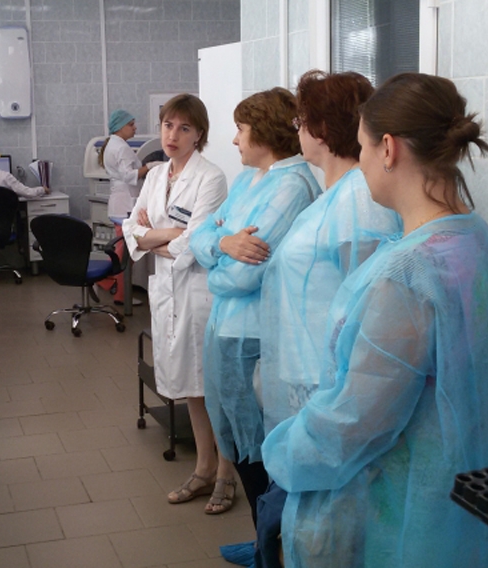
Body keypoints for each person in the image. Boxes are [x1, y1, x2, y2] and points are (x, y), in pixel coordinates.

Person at [259, 73, 488, 567]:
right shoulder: (481, 243)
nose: (360, 162)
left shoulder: (406, 275)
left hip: (402, 516)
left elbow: (355, 424)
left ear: (389, 150)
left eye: (362, 147)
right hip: (464, 503)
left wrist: (283, 452)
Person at [188, 87, 320, 520]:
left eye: (241, 129)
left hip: (253, 336)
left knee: (258, 447)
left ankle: (269, 540)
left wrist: (216, 257)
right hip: (227, 326)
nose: (234, 139)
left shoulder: (292, 186)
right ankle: (262, 538)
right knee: (233, 432)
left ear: (264, 132)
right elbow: (200, 235)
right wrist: (224, 243)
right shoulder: (249, 179)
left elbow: (242, 277)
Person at [259, 70, 402, 437]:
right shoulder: (336, 195)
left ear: (321, 129)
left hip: (329, 382)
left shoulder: (359, 199)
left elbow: (371, 309)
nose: (297, 131)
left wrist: (347, 390)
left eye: (300, 122)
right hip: (307, 370)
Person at [122, 94, 229, 514]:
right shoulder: (155, 175)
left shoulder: (211, 178)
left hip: (198, 292)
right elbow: (130, 228)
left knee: (211, 388)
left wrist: (155, 237)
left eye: (184, 128)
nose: (173, 134)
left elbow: (195, 243)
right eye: (168, 125)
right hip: (167, 290)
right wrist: (164, 235)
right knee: (191, 388)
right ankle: (204, 469)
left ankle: (225, 475)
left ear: (199, 134)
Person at [97, 109, 151, 305]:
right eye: (131, 124)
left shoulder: (113, 145)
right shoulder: (121, 148)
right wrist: (150, 167)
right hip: (125, 203)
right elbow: (130, 176)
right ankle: (119, 292)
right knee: (126, 250)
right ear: (120, 127)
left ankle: (107, 281)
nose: (135, 127)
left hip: (120, 202)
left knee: (123, 248)